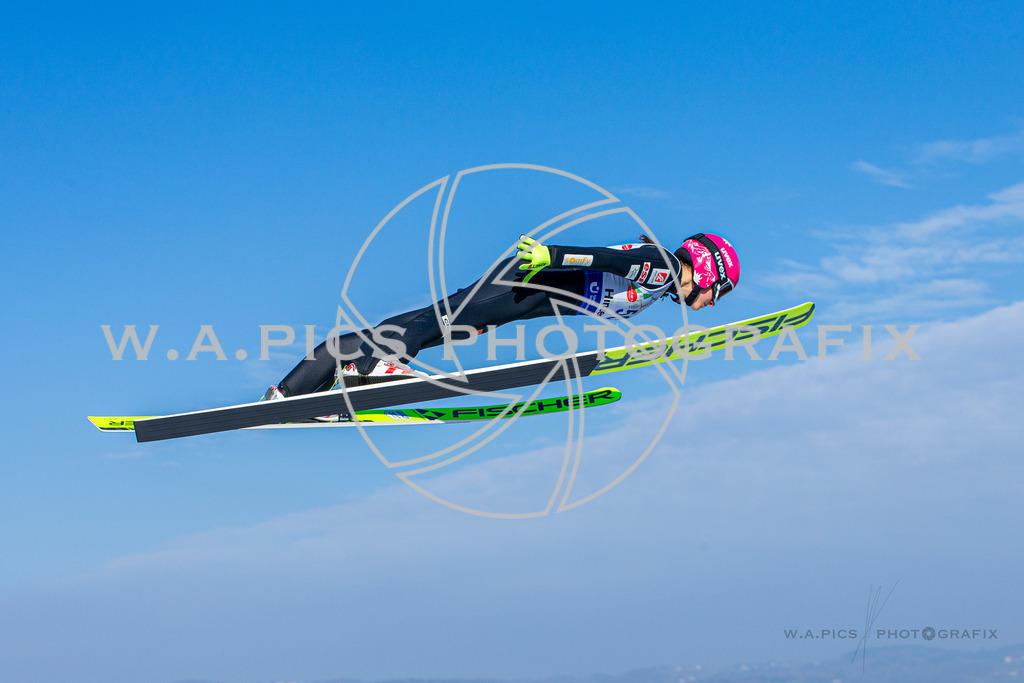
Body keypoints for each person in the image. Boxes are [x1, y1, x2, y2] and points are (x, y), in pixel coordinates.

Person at [263, 232, 740, 399]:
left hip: (524, 297)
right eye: (718, 291)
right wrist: (554, 255)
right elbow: (605, 260)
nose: (713, 302)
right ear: (706, 270)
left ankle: (289, 391)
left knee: (419, 327)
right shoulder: (662, 268)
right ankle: (368, 371)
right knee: (430, 326)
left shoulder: (659, 278)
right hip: (525, 283)